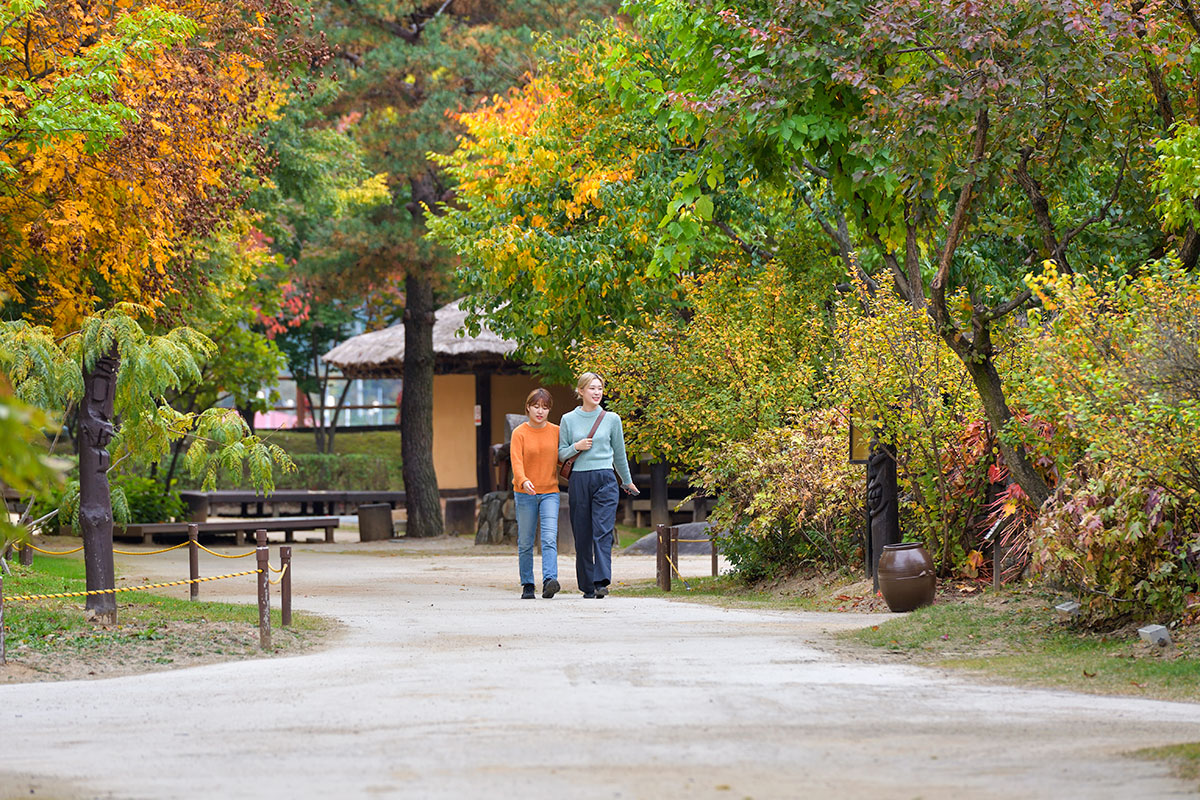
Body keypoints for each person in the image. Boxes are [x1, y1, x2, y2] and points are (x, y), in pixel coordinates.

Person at [558, 372, 638, 598]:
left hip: (605, 478)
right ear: (581, 391)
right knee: (582, 533)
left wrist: (627, 480)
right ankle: (587, 585)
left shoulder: (612, 419)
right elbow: (561, 452)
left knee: (603, 531)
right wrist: (577, 446)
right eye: (592, 388)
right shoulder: (568, 419)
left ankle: (601, 581)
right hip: (579, 479)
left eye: (600, 388)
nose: (596, 393)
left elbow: (619, 454)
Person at [510, 388, 561, 599]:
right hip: (525, 493)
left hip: (550, 492)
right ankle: (527, 584)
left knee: (549, 538)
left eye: (545, 407)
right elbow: (517, 462)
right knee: (525, 540)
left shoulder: (556, 431)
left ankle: (550, 580)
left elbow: (562, 457)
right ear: (528, 407)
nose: (540, 411)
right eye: (536, 406)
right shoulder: (519, 433)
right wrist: (524, 481)